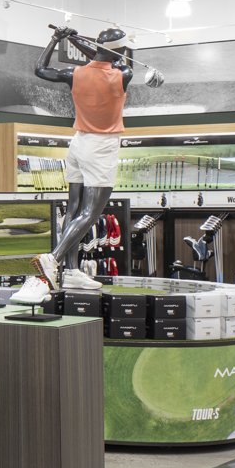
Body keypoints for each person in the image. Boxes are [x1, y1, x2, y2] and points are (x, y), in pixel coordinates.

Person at [18, 25, 162, 304]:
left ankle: (71, 271)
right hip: (102, 146)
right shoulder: (123, 74)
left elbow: (41, 69)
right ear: (120, 50)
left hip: (78, 143)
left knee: (73, 208)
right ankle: (54, 259)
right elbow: (112, 59)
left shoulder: (75, 73)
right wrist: (77, 40)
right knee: (91, 212)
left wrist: (59, 39)